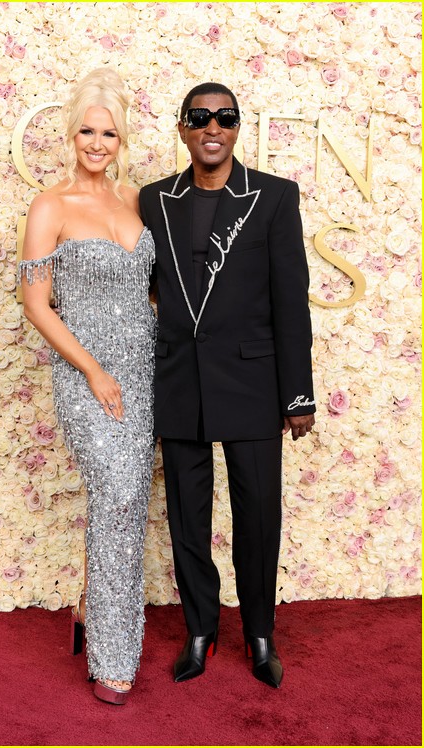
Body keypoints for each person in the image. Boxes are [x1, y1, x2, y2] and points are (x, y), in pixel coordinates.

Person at [139, 82, 315, 689]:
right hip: (179, 382)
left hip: (252, 383)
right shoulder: (153, 199)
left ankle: (260, 633)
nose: (212, 126)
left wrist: (297, 396)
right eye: (200, 117)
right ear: (182, 126)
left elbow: (291, 302)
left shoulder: (272, 197)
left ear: (237, 127)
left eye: (225, 117)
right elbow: (143, 285)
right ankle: (200, 630)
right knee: (187, 516)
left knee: (258, 515)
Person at [18, 68, 156, 705]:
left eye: (109, 132)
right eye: (86, 131)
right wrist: (95, 370)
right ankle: (112, 655)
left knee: (127, 505)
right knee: (119, 497)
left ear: (122, 138)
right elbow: (38, 305)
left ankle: (89, 610)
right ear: (69, 135)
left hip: (146, 375)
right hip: (86, 376)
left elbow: (155, 290)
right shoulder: (51, 206)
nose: (97, 142)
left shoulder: (135, 202)